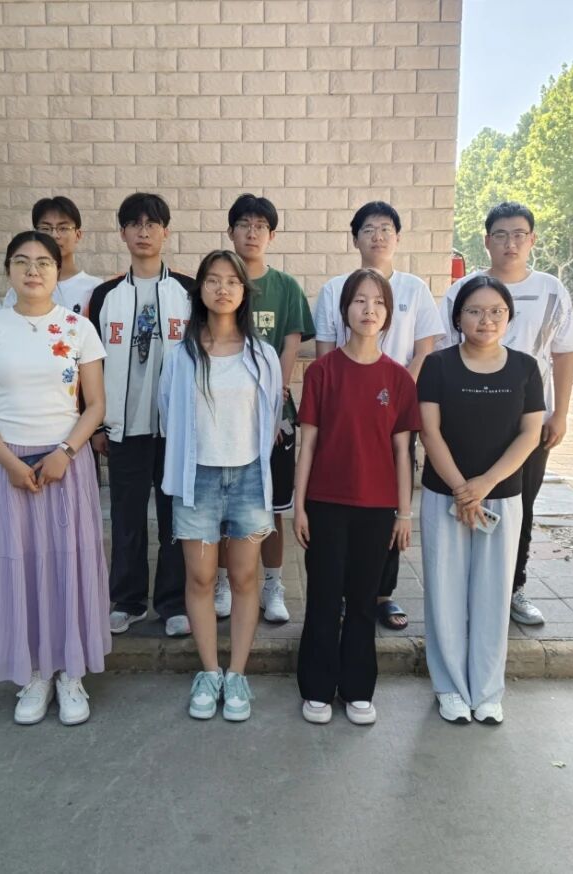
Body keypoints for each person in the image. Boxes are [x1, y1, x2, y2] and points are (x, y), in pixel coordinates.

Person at [0, 231, 110, 726]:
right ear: (8, 269)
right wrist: (8, 462)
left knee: (68, 565)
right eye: (22, 261)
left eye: (44, 262)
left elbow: (96, 405)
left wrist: (65, 452)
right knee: (19, 567)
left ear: (57, 269)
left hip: (65, 464)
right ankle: (33, 675)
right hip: (8, 466)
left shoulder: (78, 327)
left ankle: (70, 673)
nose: (33, 270)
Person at [438, 202, 573, 628]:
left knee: (521, 506)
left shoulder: (551, 290)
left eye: (519, 234)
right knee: (463, 499)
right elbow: (444, 354)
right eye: (500, 234)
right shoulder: (461, 290)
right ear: (487, 241)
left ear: (532, 240)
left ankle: (512, 587)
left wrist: (560, 414)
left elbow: (563, 354)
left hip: (528, 424)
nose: (510, 243)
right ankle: (462, 591)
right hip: (467, 420)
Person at [295, 268, 422, 726]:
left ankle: (358, 688)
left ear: (388, 314)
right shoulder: (323, 371)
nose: (370, 310)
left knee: (364, 600)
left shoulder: (399, 379)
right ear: (344, 310)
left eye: (379, 302)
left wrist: (404, 513)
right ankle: (316, 687)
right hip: (326, 504)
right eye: (360, 301)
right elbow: (308, 442)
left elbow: (403, 452)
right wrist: (299, 506)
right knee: (324, 598)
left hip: (377, 508)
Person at [160, 250, 282, 721]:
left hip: (248, 475)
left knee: (245, 577)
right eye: (213, 280)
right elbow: (168, 410)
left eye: (232, 281)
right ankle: (209, 672)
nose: (223, 288)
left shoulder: (262, 354)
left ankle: (237, 674)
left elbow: (271, 413)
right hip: (198, 479)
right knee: (201, 578)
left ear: (244, 292)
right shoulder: (182, 354)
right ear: (201, 290)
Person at [312, 201, 444, 632]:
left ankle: (381, 594)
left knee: (389, 500)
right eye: (368, 229)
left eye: (386, 228)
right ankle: (342, 594)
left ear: (397, 237)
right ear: (355, 239)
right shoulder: (335, 289)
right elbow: (326, 352)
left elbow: (425, 348)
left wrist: (397, 392)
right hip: (346, 412)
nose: (378, 236)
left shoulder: (414, 289)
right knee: (343, 499)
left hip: (394, 408)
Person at [420, 275, 545, 726]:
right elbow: (429, 431)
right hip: (444, 496)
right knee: (445, 593)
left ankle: (488, 690)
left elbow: (530, 434)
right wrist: (461, 488)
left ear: (509, 317)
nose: (485, 320)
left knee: (493, 596)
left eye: (496, 311)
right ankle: (450, 686)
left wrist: (485, 484)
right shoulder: (438, 365)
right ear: (458, 318)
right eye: (474, 311)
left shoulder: (525, 368)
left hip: (502, 498)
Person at [88, 193, 192, 638]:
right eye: (134, 223)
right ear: (123, 233)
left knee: (175, 519)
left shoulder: (189, 291)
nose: (143, 231)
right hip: (124, 428)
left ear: (166, 231)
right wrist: (96, 424)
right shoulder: (105, 296)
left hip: (175, 429)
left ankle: (173, 603)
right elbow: (90, 365)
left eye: (152, 224)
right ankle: (128, 601)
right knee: (127, 518)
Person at [212, 193, 315, 626]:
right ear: (231, 231)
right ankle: (222, 583)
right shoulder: (220, 283)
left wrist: (274, 405)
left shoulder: (286, 287)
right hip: (224, 415)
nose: (252, 233)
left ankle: (273, 585)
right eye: (244, 224)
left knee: (272, 505)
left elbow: (290, 349)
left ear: (271, 235)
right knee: (221, 502)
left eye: (260, 226)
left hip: (273, 413)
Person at [2, 196, 101, 316]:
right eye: (45, 228)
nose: (54, 235)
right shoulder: (22, 289)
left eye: (63, 228)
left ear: (78, 235)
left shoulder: (95, 288)